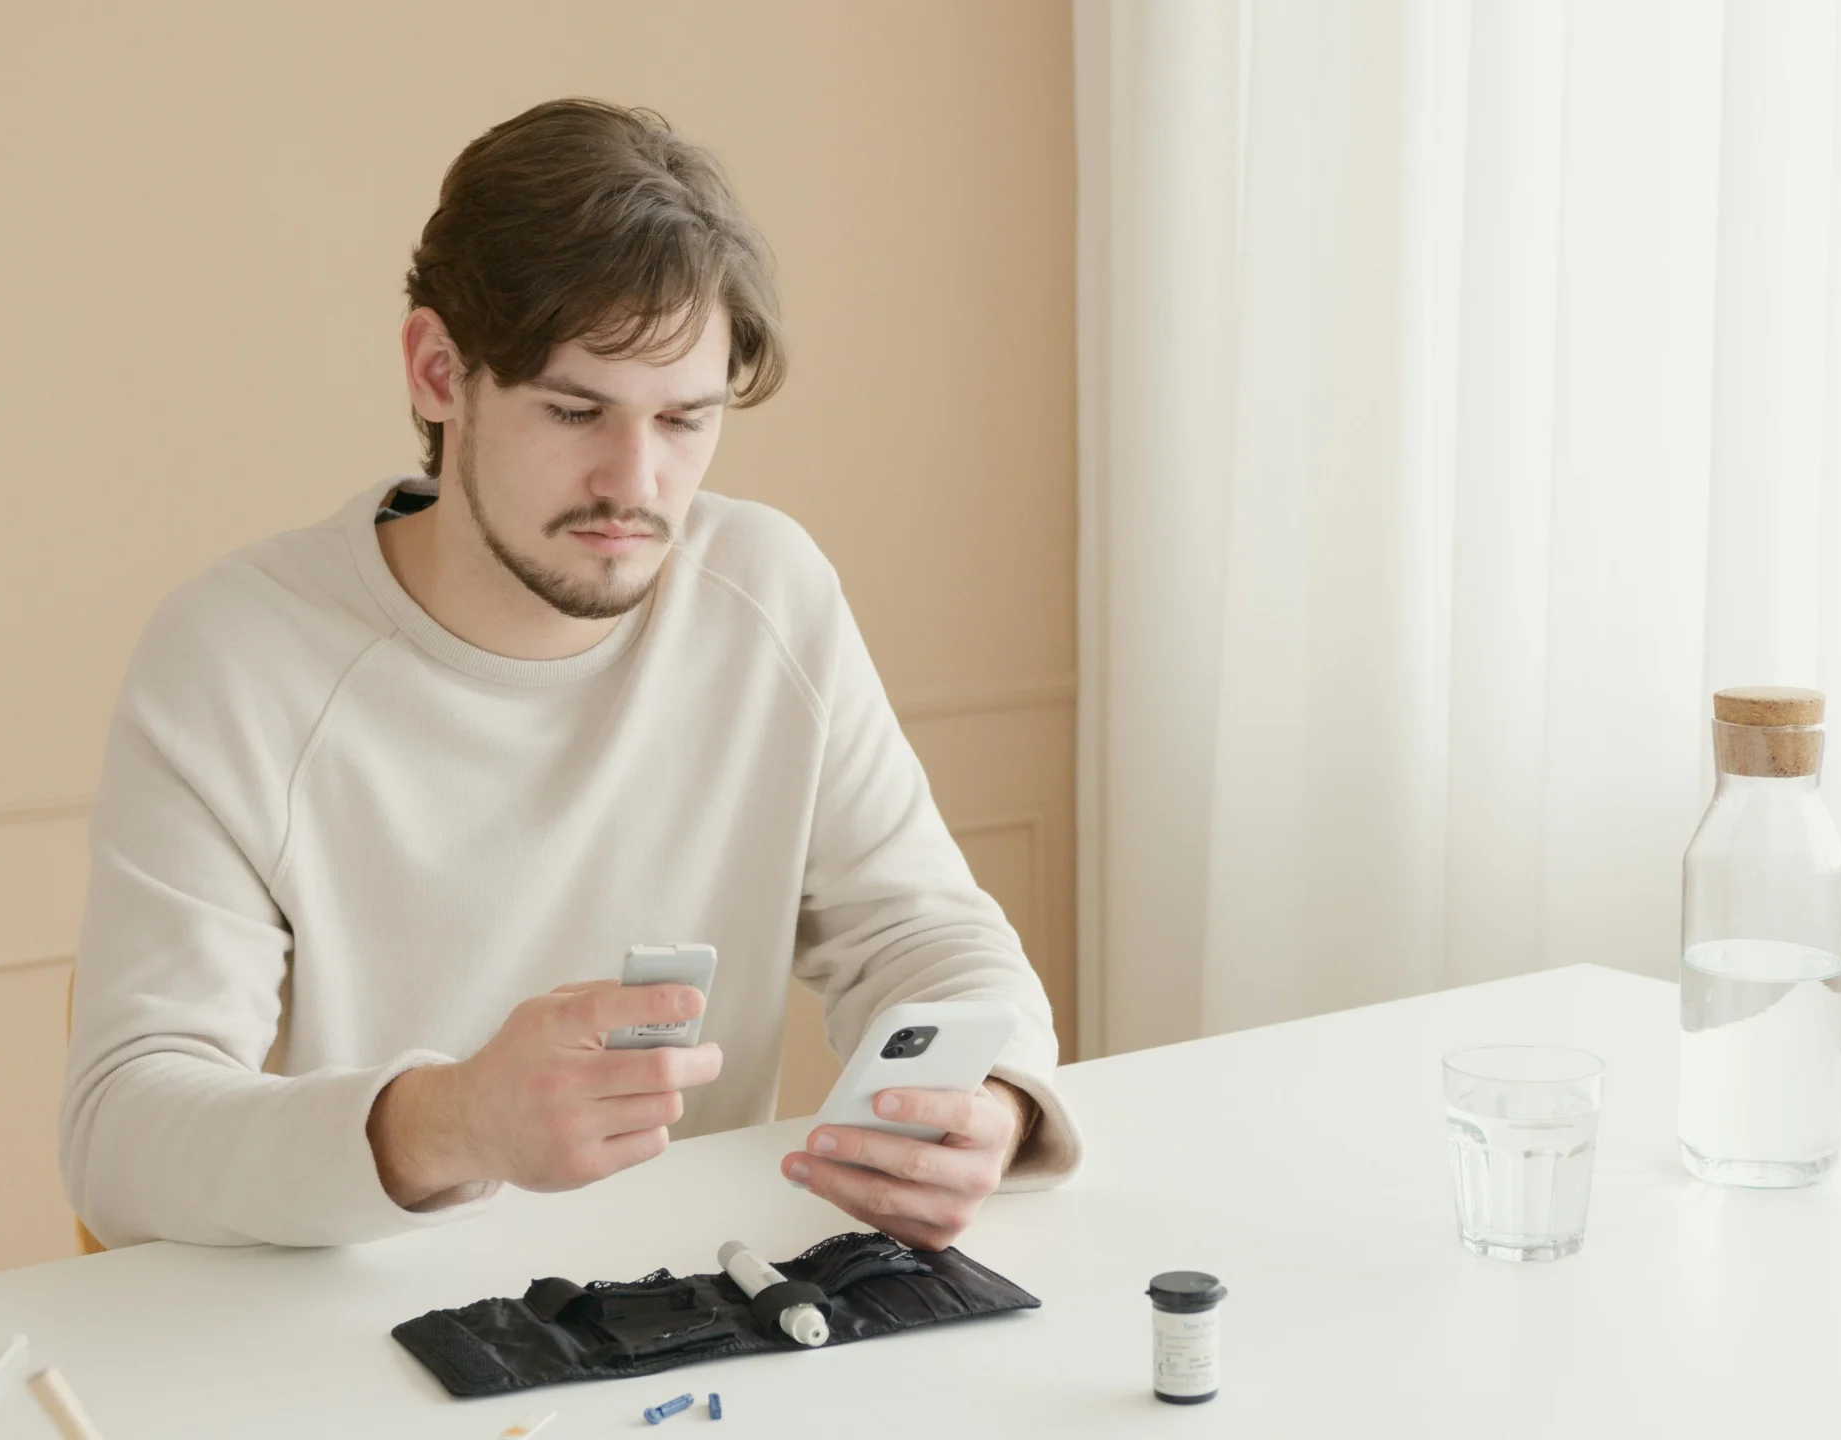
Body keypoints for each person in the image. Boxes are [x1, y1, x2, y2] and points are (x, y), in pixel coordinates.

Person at [58, 98, 1080, 1251]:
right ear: (441, 372)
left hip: (698, 1310)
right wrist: (448, 1123)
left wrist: (983, 1096)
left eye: (685, 420)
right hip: (342, 1335)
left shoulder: (768, 591)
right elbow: (122, 1134)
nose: (633, 483)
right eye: (574, 410)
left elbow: (921, 932)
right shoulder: (238, 656)